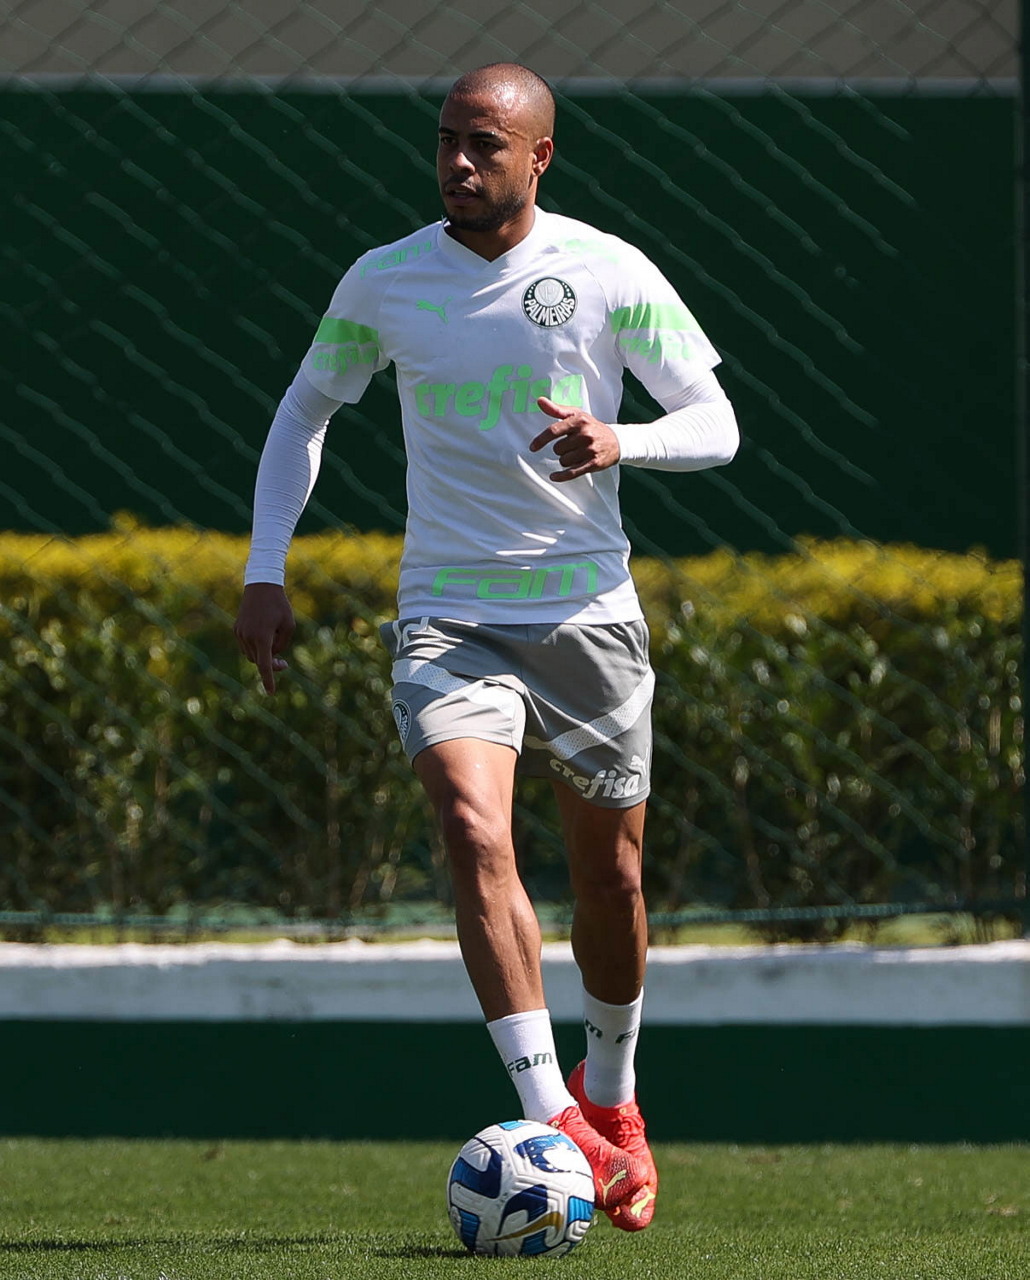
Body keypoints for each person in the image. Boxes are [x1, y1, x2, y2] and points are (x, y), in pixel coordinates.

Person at [235, 62, 738, 1232]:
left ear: (539, 156)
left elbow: (716, 422)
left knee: (612, 877)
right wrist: (265, 569)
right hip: (448, 613)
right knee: (471, 827)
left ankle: (612, 1093)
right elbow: (306, 410)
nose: (458, 163)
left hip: (589, 615)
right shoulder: (385, 278)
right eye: (446, 142)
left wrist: (621, 440)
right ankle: (552, 1113)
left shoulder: (607, 270)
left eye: (485, 145)